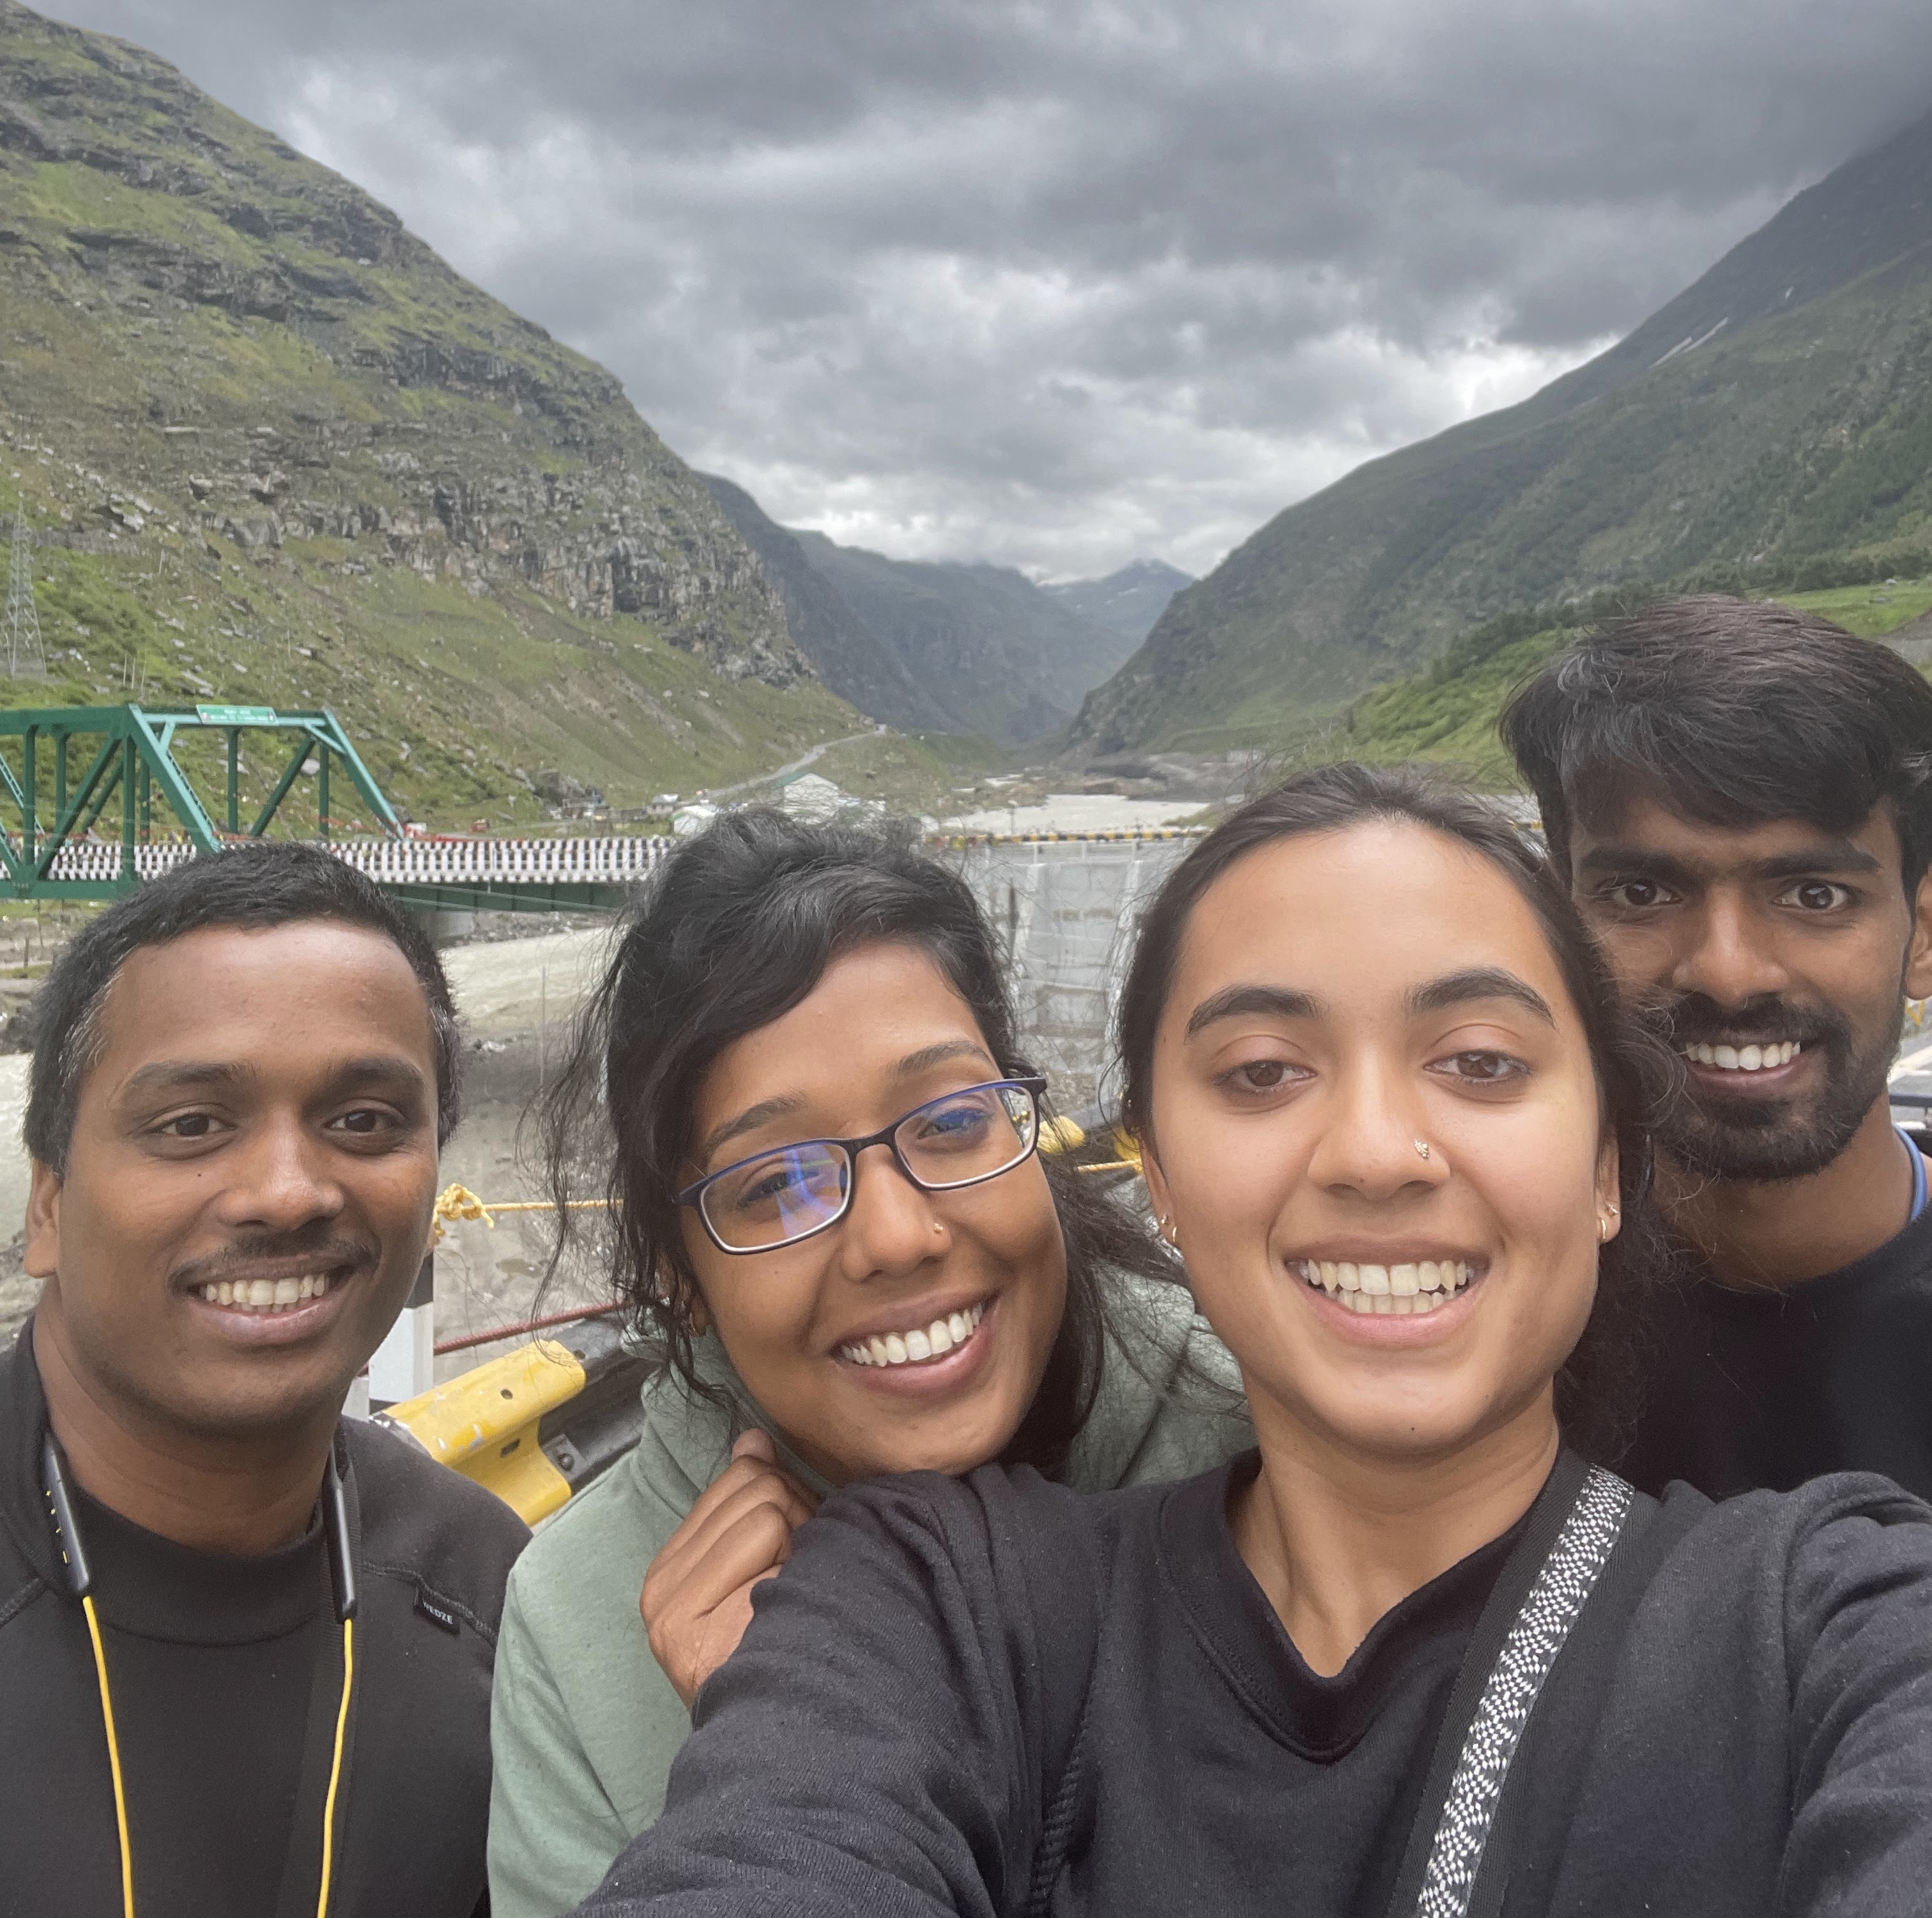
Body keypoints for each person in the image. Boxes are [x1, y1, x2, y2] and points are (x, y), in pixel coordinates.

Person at [572, 767, 1932, 1918]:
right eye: (1263, 1073)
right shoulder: (935, 1592)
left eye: (1479, 1060)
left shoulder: (1837, 1624)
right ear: (1153, 1177)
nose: (1376, 1155)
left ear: (1608, 1166)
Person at [486, 811, 1251, 1918]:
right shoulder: (578, 1621)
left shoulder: (1255, 1447)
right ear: (678, 1270)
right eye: (777, 1183)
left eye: (949, 1122)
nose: (897, 1237)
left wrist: (815, 1730)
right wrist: (752, 1770)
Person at [0, 844, 527, 1918]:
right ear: (46, 1204)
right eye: (192, 1125)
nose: (288, 1194)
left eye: (364, 1122)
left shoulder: (494, 1601)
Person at [1501, 594, 1932, 1500]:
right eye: (1643, 894)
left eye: (1814, 895)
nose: (1730, 976)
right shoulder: (1480, 1325)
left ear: (1923, 937)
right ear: (1555, 926)